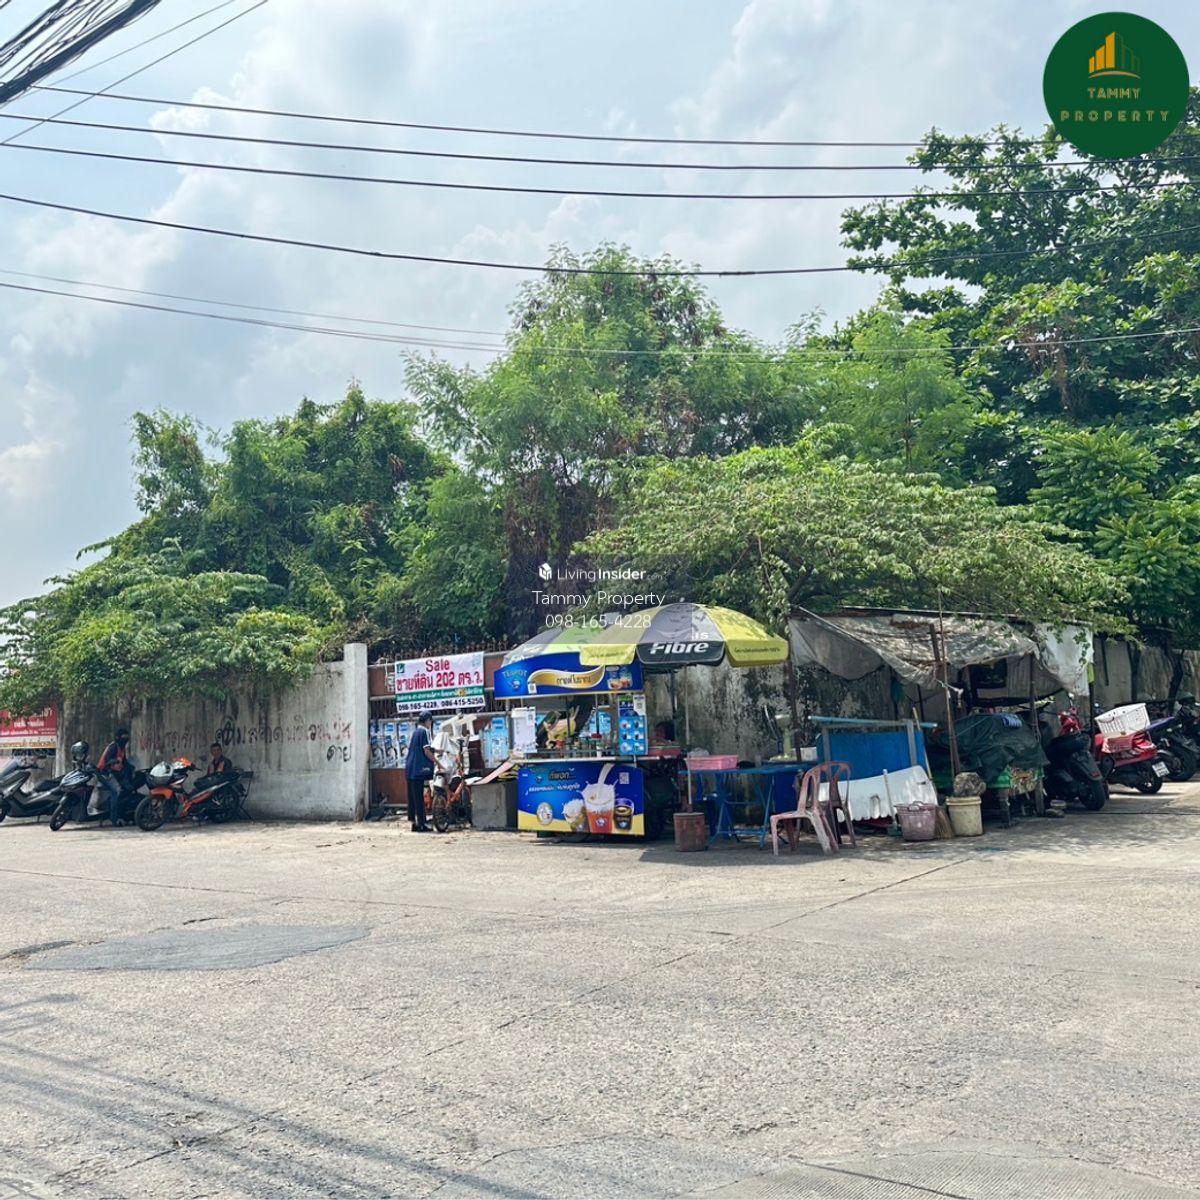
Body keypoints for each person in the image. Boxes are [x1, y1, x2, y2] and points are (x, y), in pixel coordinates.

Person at [404, 712, 437, 832]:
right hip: (418, 768)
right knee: (418, 797)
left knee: (412, 797)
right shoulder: (425, 731)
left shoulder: (415, 732)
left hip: (410, 767)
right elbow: (427, 751)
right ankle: (422, 824)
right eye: (430, 721)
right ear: (427, 720)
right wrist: (437, 762)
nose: (431, 723)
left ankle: (414, 823)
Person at [93, 726, 132, 823]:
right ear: (118, 738)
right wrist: (115, 762)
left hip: (111, 773)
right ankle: (113, 817)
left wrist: (131, 769)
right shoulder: (113, 747)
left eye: (126, 738)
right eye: (123, 738)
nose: (125, 740)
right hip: (104, 773)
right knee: (116, 791)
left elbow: (124, 762)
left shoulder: (121, 749)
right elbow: (107, 761)